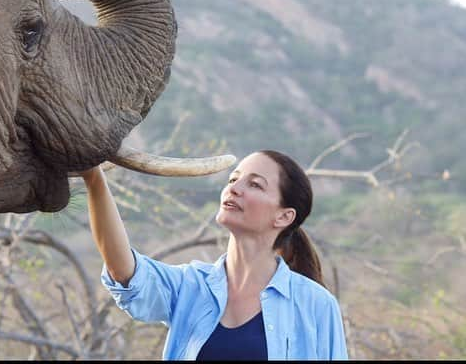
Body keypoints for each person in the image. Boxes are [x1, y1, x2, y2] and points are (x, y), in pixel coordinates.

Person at [81, 150, 348, 360]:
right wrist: (94, 180)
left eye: (255, 185)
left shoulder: (316, 305)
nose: (234, 188)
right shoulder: (190, 286)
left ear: (284, 216)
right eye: (233, 179)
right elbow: (124, 271)